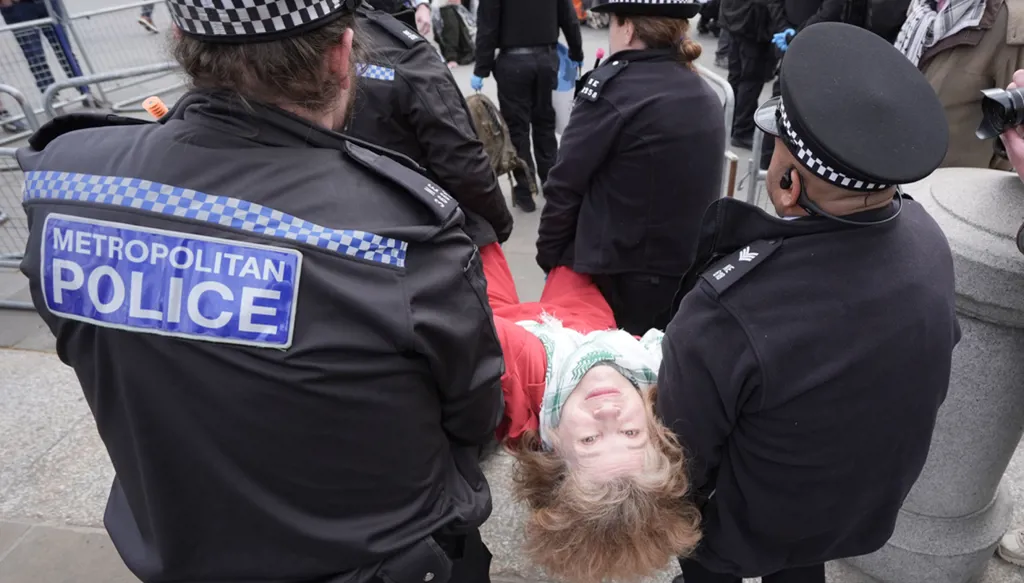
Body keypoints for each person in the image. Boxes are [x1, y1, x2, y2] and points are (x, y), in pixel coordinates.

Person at [16, 0, 505, 582]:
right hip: (378, 559)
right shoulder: (400, 231)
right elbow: (475, 413)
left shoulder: (65, 182)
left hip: (179, 550)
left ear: (180, 40)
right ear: (341, 56)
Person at [659, 22, 959, 583]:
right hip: (851, 512)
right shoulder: (928, 240)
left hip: (740, 528)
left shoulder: (728, 309)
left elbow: (681, 457)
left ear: (790, 182)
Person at [479, 242, 701, 583]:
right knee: (575, 251)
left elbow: (457, 308)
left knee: (476, 251)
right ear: (659, 432)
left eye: (590, 439)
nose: (609, 412)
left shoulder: (516, 372)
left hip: (508, 317)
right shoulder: (657, 370)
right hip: (585, 317)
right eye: (631, 434)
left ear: (552, 451)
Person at [536, 0, 724, 336]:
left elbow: (564, 185)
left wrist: (551, 259)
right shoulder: (704, 92)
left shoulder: (615, 92)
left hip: (620, 280)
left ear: (628, 27)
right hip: (686, 273)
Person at [346, 3, 514, 245]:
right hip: (421, 233)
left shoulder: (312, 39)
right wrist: (498, 224)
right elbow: (461, 160)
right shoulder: (405, 55)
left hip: (337, 228)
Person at [472, 0, 584, 211]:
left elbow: (487, 27)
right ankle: (551, 183)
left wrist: (481, 69)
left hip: (512, 64)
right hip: (546, 61)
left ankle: (525, 191)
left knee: (517, 130)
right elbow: (569, 18)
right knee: (545, 124)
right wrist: (576, 53)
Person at [896, 0, 1024, 170]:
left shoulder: (1012, 23)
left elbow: (1013, 148)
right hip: (898, 171)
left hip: (955, 188)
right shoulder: (922, 8)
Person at [0, 0, 96, 105]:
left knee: (65, 51)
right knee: (35, 57)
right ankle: (51, 101)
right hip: (19, 6)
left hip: (49, 4)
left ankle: (85, 92)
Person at [719, 0, 776, 149]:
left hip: (737, 18)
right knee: (749, 79)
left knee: (737, 76)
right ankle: (741, 129)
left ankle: (729, 123)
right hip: (752, 22)